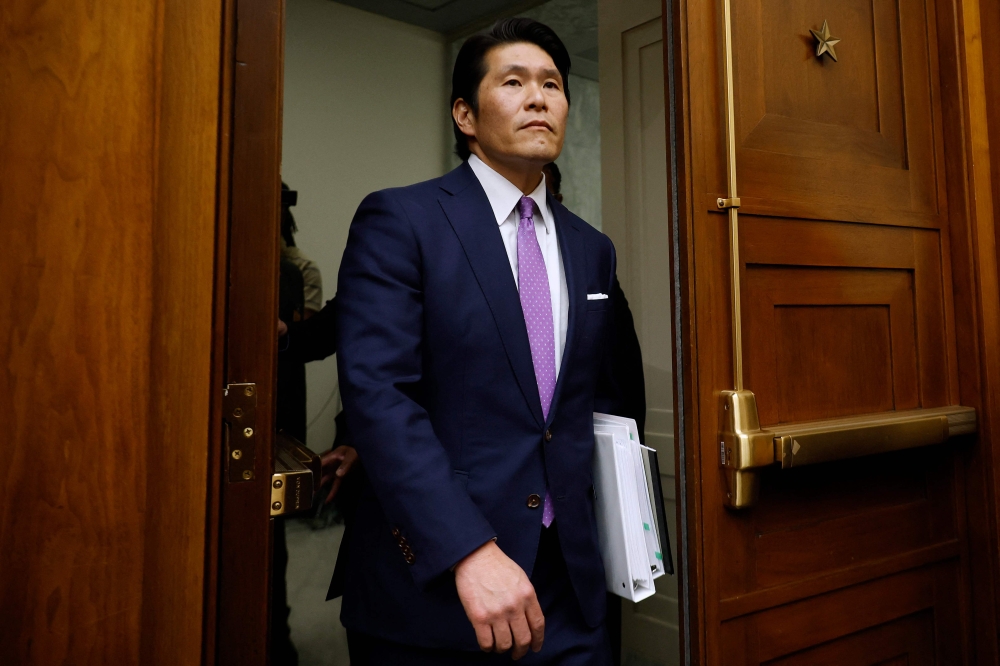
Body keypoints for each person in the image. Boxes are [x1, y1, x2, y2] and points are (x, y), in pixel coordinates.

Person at [334, 18, 645, 665]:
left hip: (568, 589)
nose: (539, 98)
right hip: (442, 588)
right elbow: (379, 396)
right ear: (465, 114)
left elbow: (598, 401)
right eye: (514, 82)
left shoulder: (592, 248)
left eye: (553, 85)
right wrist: (466, 550)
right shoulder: (403, 221)